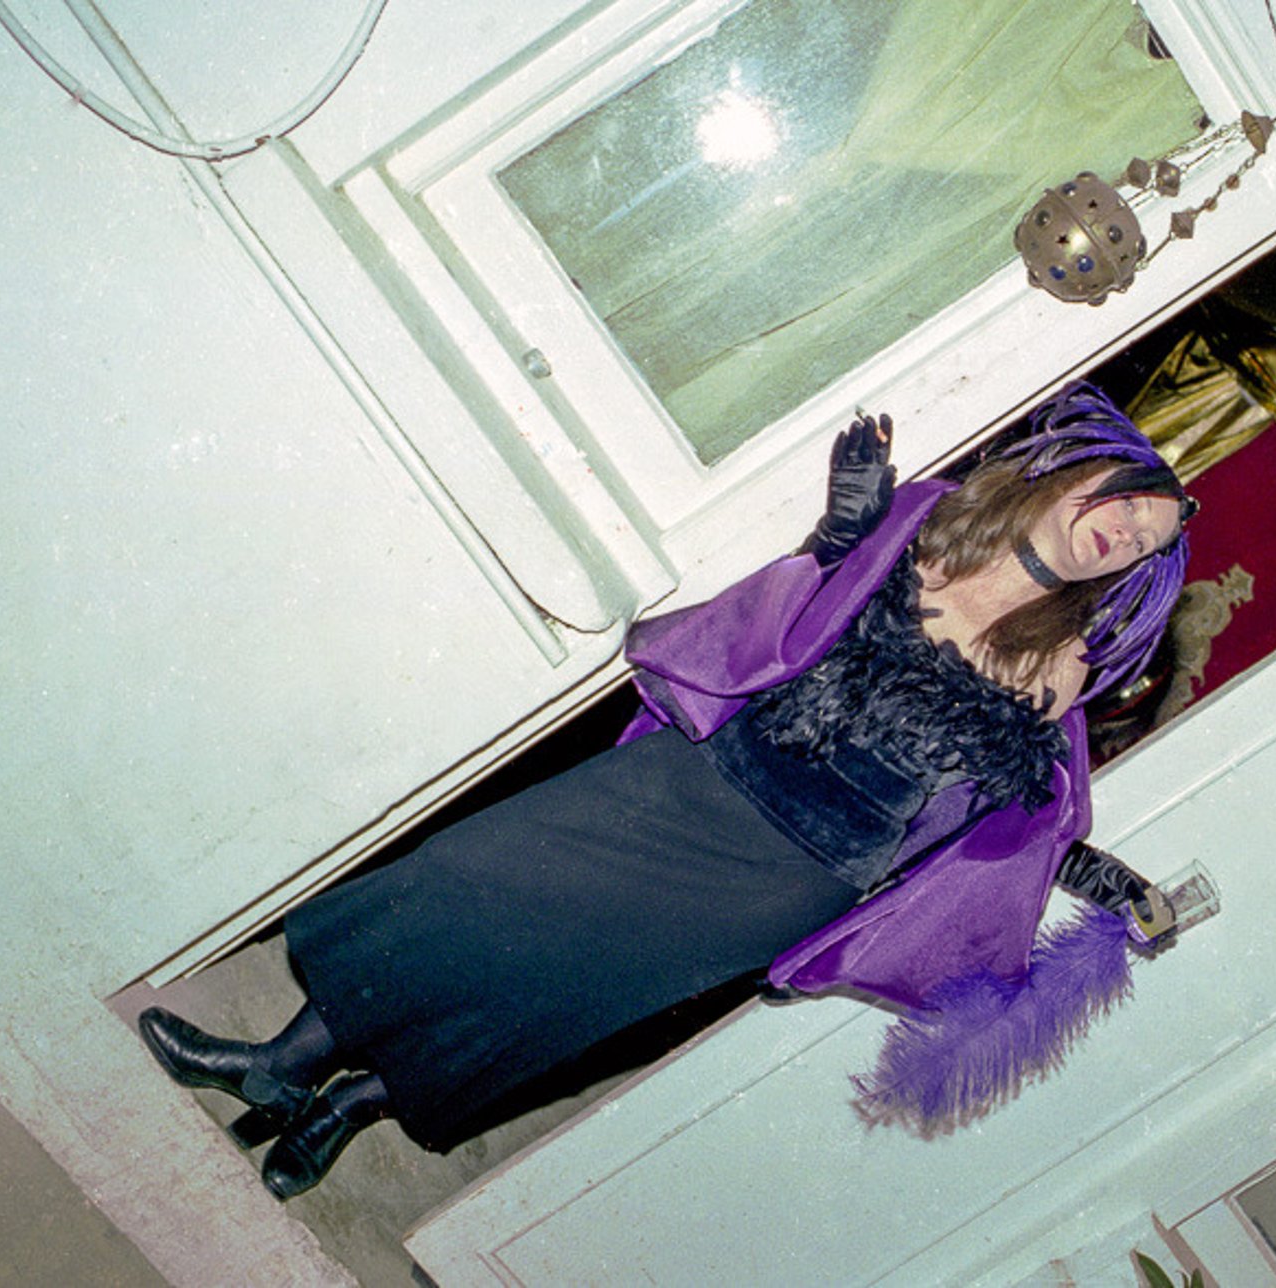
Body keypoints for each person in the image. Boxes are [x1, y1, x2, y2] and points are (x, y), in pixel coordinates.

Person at [137, 381, 1196, 1198]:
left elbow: (1017, 820)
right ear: (1078, 473)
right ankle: (279, 1060)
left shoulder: (1061, 665)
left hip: (790, 875)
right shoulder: (926, 519)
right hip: (705, 779)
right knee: (471, 882)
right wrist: (842, 529)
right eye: (1128, 506)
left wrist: (1104, 881)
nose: (1124, 532)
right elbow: (792, 607)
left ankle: (350, 1108)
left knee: (558, 995)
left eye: (1143, 544)